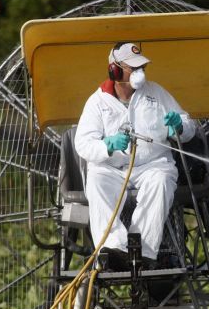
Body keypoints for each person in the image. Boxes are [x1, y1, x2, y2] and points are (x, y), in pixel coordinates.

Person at [74, 42, 197, 270]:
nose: (140, 73)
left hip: (152, 165)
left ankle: (142, 251)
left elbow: (189, 125)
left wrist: (179, 127)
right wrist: (106, 146)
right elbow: (82, 144)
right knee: (96, 179)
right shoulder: (97, 102)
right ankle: (113, 249)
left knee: (161, 181)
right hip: (112, 170)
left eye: (142, 67)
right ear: (115, 70)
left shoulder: (157, 93)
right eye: (133, 68)